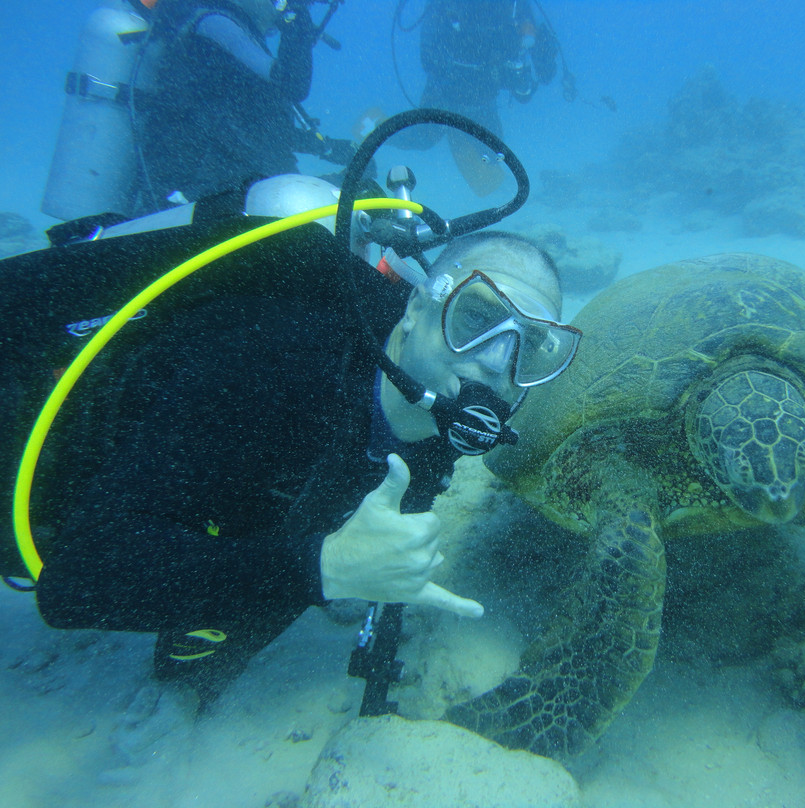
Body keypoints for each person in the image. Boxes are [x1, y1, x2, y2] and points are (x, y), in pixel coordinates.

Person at [20, 200, 579, 699]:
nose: (497, 363)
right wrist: (324, 568)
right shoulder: (268, 360)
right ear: (413, 309)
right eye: (478, 317)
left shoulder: (437, 408)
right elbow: (76, 578)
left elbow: (312, 513)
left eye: (528, 345)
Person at [42, 0, 356, 222]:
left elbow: (255, 123)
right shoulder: (216, 26)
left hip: (207, 199)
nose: (276, 9)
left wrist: (324, 146)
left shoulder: (214, 33)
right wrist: (296, 18)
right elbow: (291, 84)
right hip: (199, 205)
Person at [395, 0, 559, 194]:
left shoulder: (515, 6)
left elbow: (542, 76)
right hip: (446, 92)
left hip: (484, 93)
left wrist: (541, 51)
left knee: (495, 155)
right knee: (423, 138)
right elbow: (428, 59)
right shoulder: (446, 6)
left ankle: (458, 134)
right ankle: (374, 130)